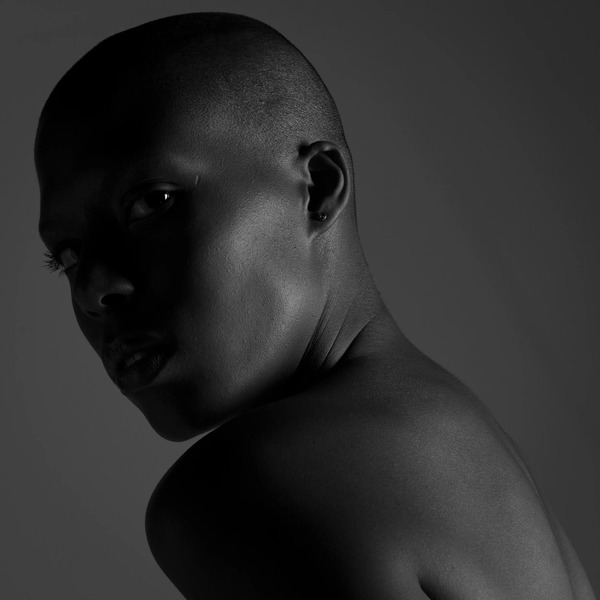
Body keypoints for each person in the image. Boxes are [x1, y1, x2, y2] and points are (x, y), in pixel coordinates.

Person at [35, 12, 596, 600]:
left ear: (318, 188)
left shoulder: (245, 487)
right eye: (67, 256)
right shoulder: (471, 451)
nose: (92, 288)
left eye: (153, 202)